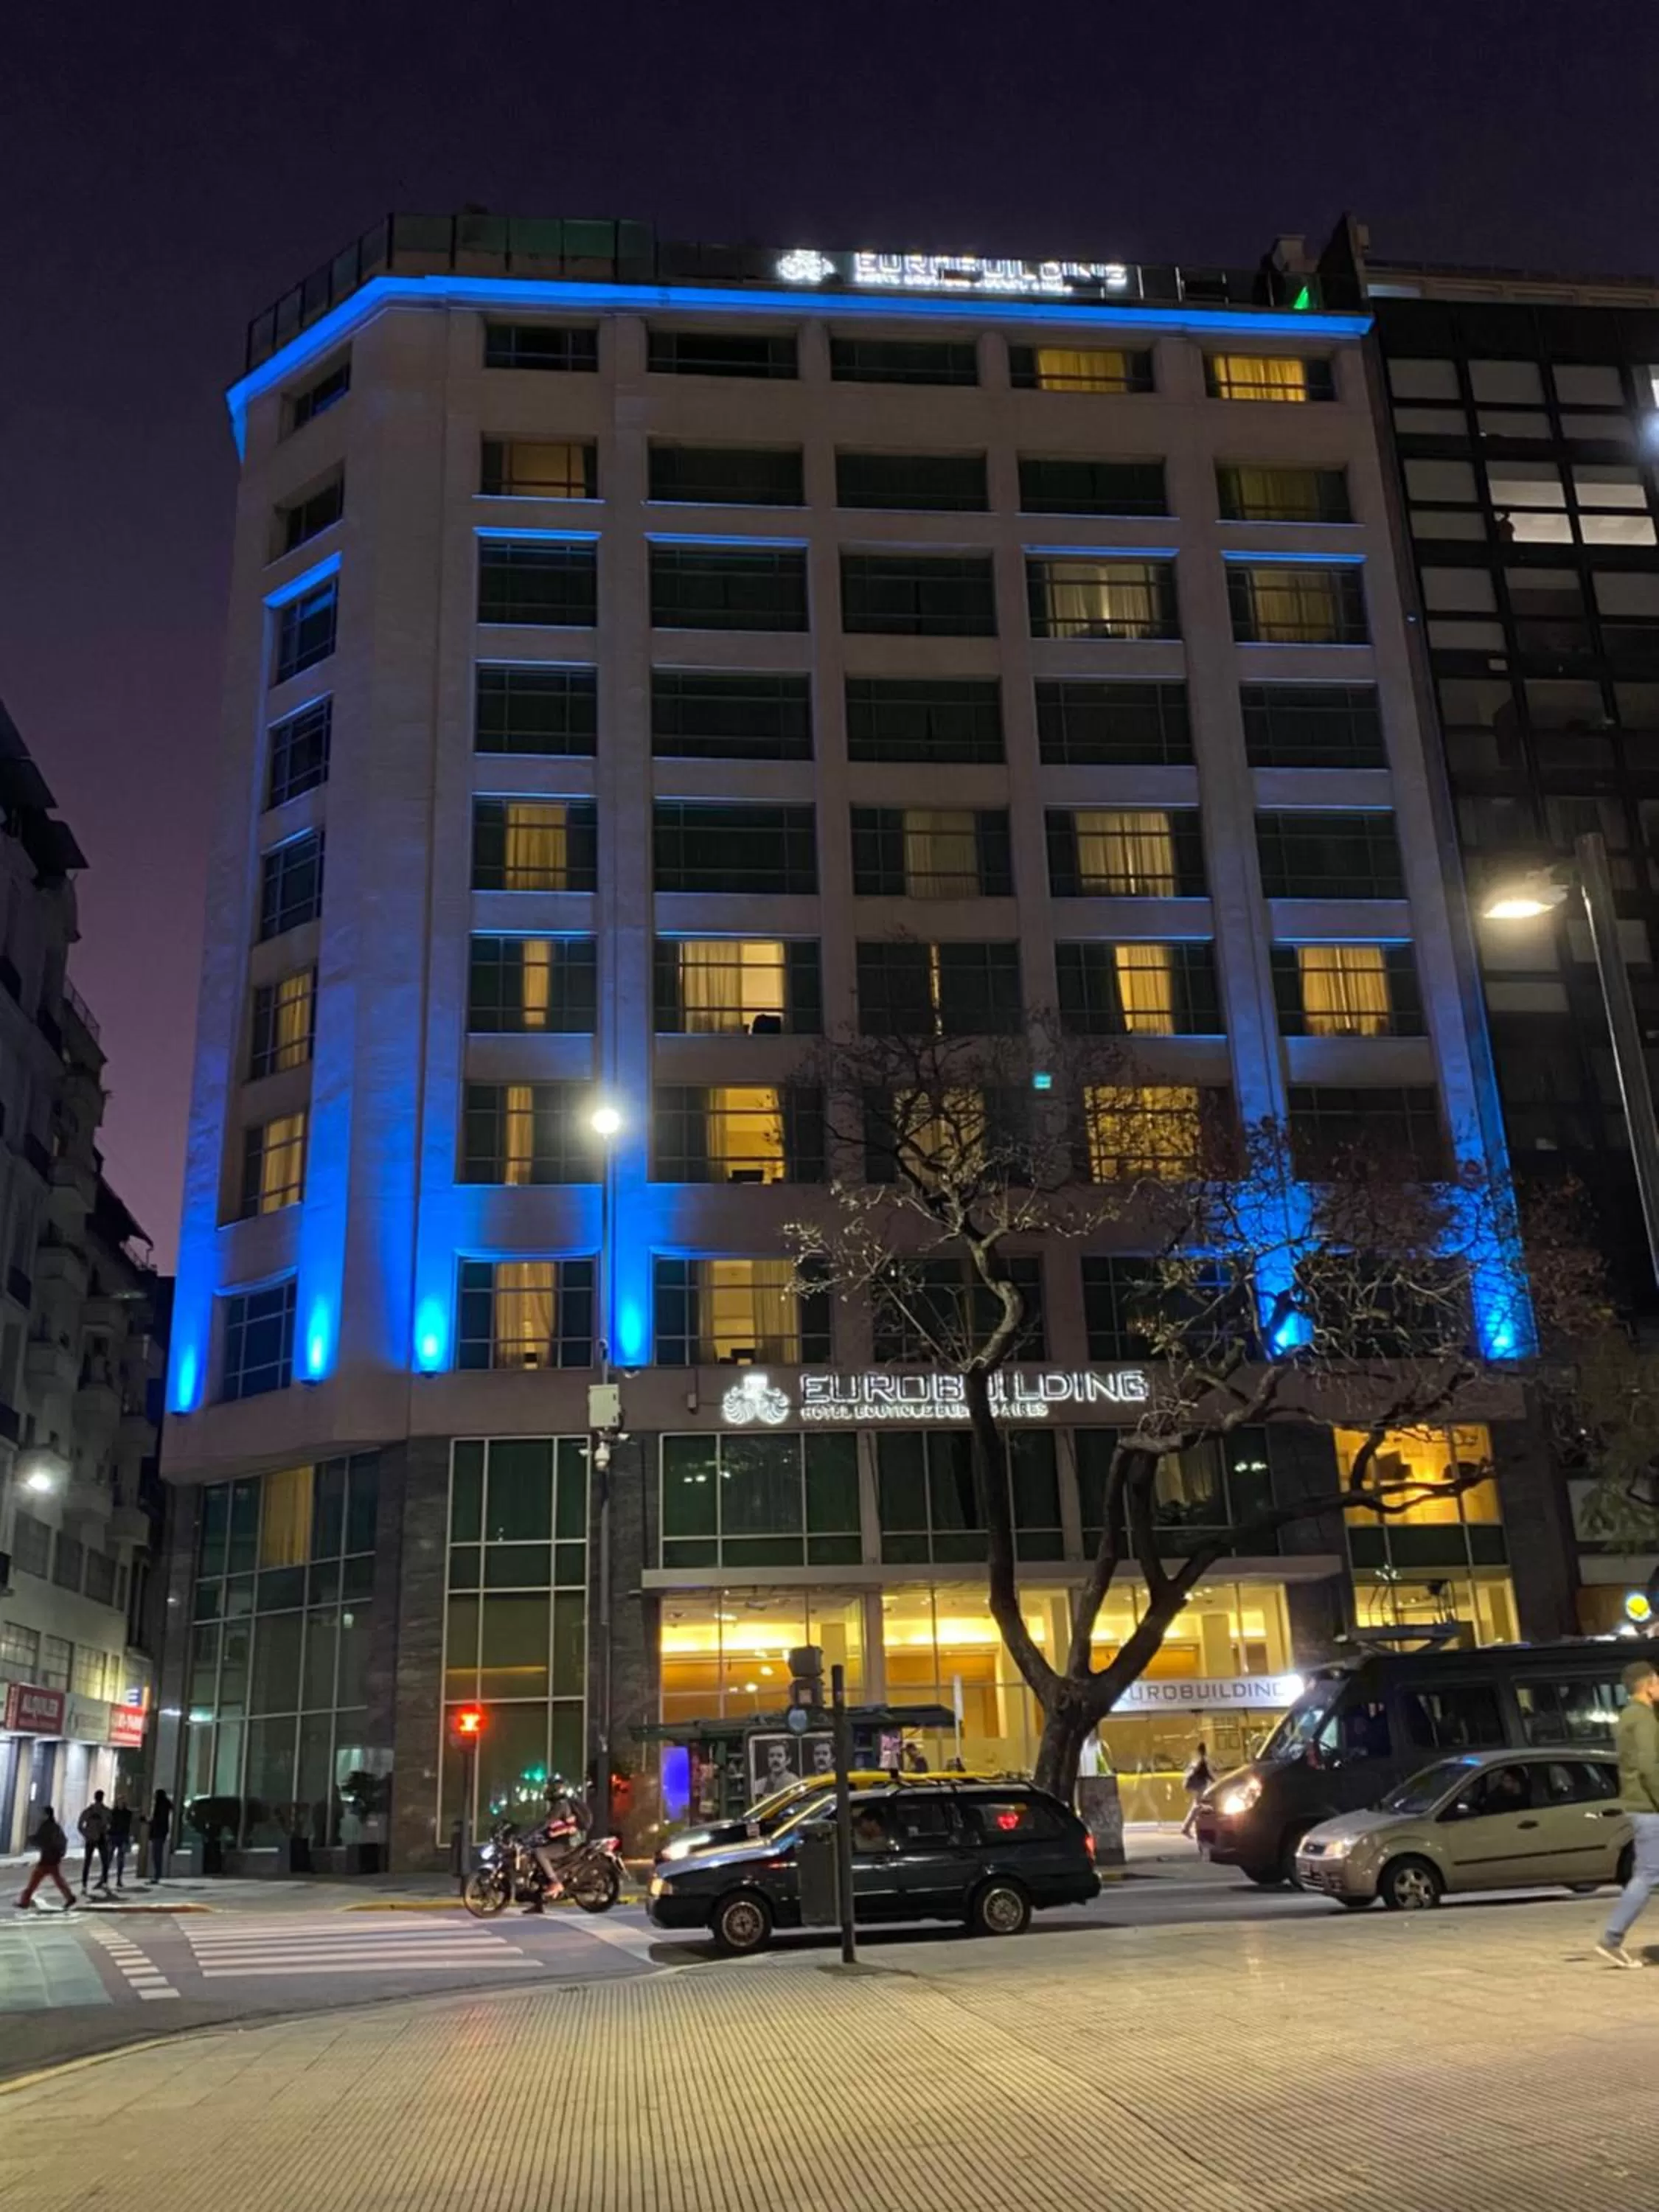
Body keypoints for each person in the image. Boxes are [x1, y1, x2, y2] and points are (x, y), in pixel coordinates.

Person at [1599, 1660, 1659, 1967]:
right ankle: (1612, 1938)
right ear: (1648, 1686)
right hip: (1650, 1807)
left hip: (1638, 1804)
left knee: (1648, 1874)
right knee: (1647, 1875)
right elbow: (1649, 1767)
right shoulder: (1644, 1718)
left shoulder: (1626, 1715)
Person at [522, 1776, 590, 1913]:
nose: (546, 1791)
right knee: (538, 1863)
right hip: (562, 1840)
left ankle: (555, 1882)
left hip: (567, 1843)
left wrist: (527, 1834)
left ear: (556, 1790)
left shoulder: (560, 1806)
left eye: (549, 1788)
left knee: (540, 1853)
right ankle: (539, 1903)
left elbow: (545, 1822)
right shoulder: (560, 1804)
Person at [17, 1806, 75, 1910]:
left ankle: (25, 1902)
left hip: (48, 1858)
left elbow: (43, 1840)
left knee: (35, 1881)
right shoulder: (55, 1826)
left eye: (43, 1814)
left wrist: (31, 1839)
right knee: (57, 1880)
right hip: (53, 1858)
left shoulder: (47, 1827)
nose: (41, 1816)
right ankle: (70, 1897)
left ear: (47, 1815)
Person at [78, 1790, 113, 1894]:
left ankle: (84, 1886)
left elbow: (80, 1825)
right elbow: (111, 1824)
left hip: (93, 1838)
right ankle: (104, 1883)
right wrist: (106, 1832)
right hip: (99, 1837)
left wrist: (86, 1834)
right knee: (104, 1861)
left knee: (88, 1862)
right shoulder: (104, 1811)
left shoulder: (89, 1811)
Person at [1180, 1741, 1214, 1840]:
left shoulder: (1198, 1760)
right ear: (1205, 1750)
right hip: (1200, 1786)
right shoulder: (1203, 1761)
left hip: (1199, 1786)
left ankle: (1188, 1827)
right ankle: (1187, 1828)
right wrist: (1217, 1782)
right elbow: (1207, 1774)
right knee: (1197, 1807)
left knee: (1197, 1806)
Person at [108, 1793, 134, 1890]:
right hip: (113, 1836)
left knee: (121, 1859)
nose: (121, 1803)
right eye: (119, 1801)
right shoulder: (113, 1812)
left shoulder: (128, 1813)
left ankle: (119, 1879)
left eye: (122, 1801)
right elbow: (109, 1824)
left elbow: (129, 1827)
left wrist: (128, 1838)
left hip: (122, 1837)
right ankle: (104, 1878)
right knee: (109, 1858)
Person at [147, 1790, 173, 1884]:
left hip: (157, 1833)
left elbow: (156, 1820)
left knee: (156, 1855)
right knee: (157, 1854)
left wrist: (148, 1821)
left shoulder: (160, 1806)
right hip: (162, 1833)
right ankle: (157, 1874)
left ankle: (157, 1875)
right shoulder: (166, 1805)